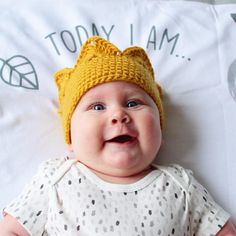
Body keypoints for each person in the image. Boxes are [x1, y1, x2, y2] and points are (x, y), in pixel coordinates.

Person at [0, 36, 235, 236]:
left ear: (160, 133)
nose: (119, 114)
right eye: (98, 107)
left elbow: (222, 230)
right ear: (70, 138)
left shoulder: (180, 185)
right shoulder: (55, 180)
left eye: (133, 103)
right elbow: (11, 230)